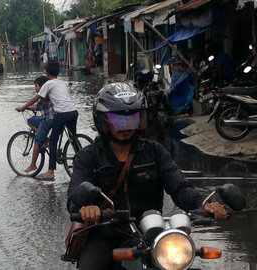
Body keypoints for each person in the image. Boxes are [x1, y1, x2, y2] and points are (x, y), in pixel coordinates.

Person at [66, 82, 227, 269]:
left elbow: (180, 187)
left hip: (152, 234)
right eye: (118, 120)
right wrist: (86, 208)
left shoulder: (155, 151)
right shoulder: (88, 156)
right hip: (107, 233)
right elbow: (74, 197)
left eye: (132, 119)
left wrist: (203, 205)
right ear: (104, 122)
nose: (125, 126)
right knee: (90, 266)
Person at [17, 60, 78, 181]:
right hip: (73, 112)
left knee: (53, 141)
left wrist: (23, 107)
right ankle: (82, 159)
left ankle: (50, 172)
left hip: (62, 114)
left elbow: (36, 98)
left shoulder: (48, 84)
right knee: (74, 139)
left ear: (46, 71)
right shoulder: (61, 83)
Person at [22, 76, 53, 173]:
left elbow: (38, 107)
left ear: (42, 86)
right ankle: (44, 137)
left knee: (31, 123)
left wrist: (25, 107)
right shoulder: (51, 93)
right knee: (34, 121)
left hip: (48, 118)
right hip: (54, 116)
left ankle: (33, 164)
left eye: (36, 86)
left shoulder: (43, 94)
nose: (35, 88)